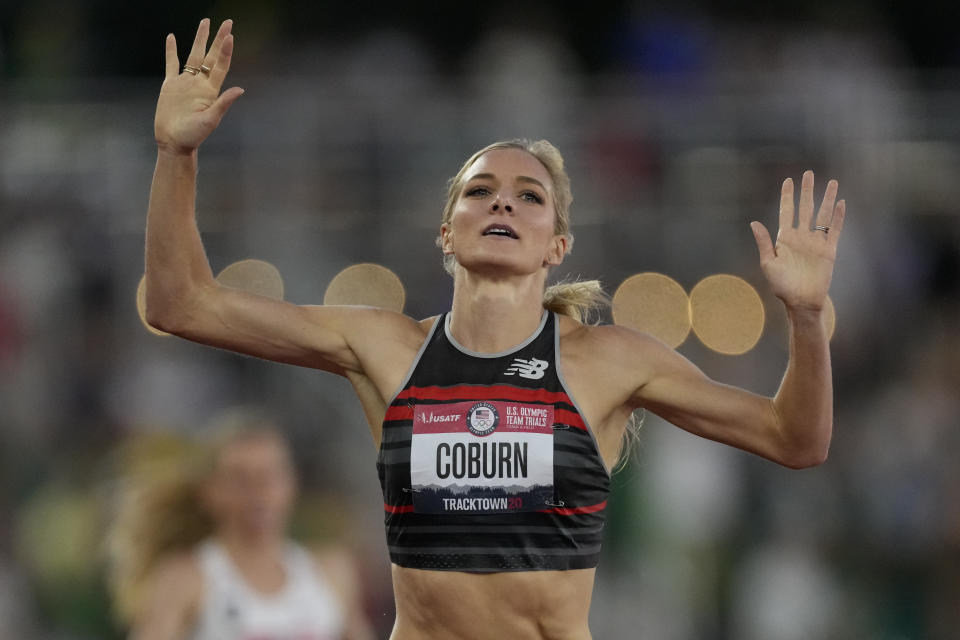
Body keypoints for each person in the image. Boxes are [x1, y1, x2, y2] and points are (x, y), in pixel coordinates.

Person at [144, 18, 847, 639]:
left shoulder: (608, 361)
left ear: (557, 245)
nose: (502, 202)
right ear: (447, 235)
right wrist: (177, 156)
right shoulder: (387, 348)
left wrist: (808, 319)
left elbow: (797, 439)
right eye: (480, 191)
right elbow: (182, 305)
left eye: (528, 196)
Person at [107, 410, 374, 640]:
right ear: (210, 491)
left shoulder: (331, 572)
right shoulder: (186, 579)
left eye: (270, 474)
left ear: (292, 484)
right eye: (239, 478)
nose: (259, 491)